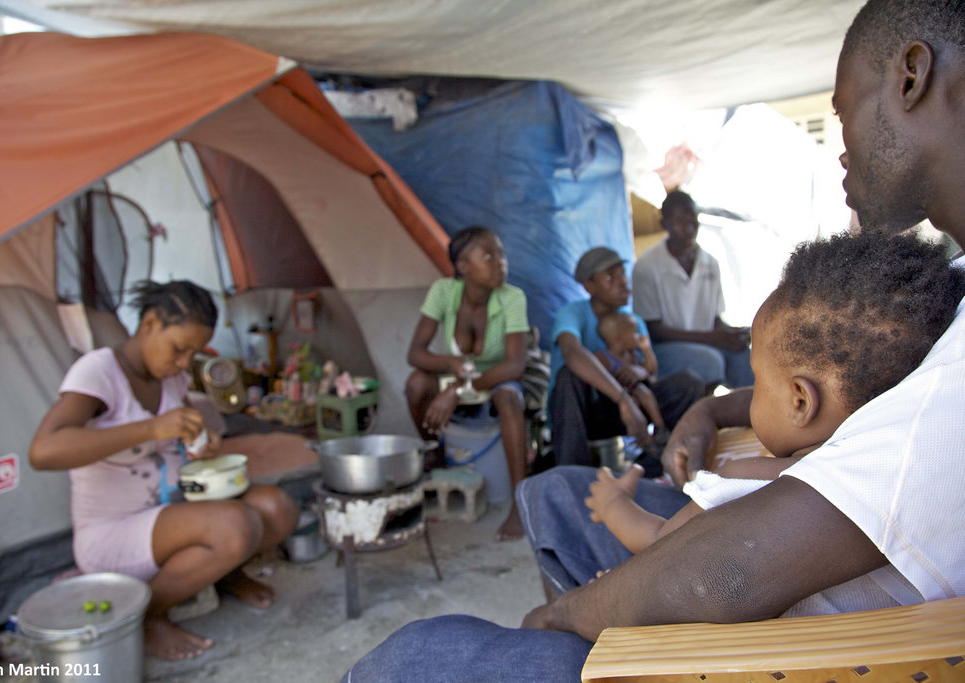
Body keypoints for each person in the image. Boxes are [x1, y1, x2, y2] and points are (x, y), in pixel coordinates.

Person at [343, 1, 965, 679]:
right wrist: (708, 411)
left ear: (911, 77)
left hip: (759, 647)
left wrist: (565, 614)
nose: (840, 145)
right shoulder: (945, 294)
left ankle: (588, 649)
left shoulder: (947, 379)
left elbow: (721, 573)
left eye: (843, 112)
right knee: (559, 482)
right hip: (758, 571)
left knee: (414, 655)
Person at [588, 231, 965, 558]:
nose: (752, 394)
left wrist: (613, 503)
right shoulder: (899, 468)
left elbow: (660, 544)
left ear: (799, 401)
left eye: (757, 381)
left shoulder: (752, 481)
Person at [29, 280, 300, 661]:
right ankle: (145, 617)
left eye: (193, 353)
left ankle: (222, 573)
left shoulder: (172, 378)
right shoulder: (99, 371)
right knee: (235, 525)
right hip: (113, 532)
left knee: (277, 507)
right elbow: (43, 451)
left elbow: (179, 432)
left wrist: (201, 442)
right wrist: (150, 429)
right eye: (179, 348)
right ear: (150, 324)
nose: (184, 362)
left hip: (172, 516)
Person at [404, 226, 529, 541]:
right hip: (457, 375)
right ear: (463, 266)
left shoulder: (512, 297)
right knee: (416, 385)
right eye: (488, 256)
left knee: (509, 399)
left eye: (501, 254)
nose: (500, 262)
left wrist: (456, 391)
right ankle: (435, 455)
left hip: (496, 378)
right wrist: (450, 364)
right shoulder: (444, 292)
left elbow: (515, 365)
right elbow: (415, 354)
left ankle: (520, 501)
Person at [546, 247, 704, 471]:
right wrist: (622, 399)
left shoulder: (633, 321)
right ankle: (571, 472)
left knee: (689, 384)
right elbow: (571, 352)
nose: (622, 282)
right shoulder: (573, 313)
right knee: (569, 376)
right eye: (610, 277)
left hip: (628, 411)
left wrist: (639, 372)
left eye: (622, 273)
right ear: (589, 286)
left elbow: (650, 372)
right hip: (583, 414)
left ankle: (656, 464)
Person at [632, 190, 754, 391]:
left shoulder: (710, 263)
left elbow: (714, 319)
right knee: (709, 361)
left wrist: (734, 334)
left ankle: (749, 410)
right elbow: (654, 331)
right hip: (663, 349)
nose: (688, 228)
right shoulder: (647, 266)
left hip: (706, 342)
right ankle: (705, 409)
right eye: (679, 221)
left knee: (747, 360)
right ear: (664, 224)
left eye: (692, 219)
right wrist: (713, 338)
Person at [593, 311, 667, 443]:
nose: (638, 336)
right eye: (635, 332)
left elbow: (651, 370)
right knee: (635, 401)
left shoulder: (632, 356)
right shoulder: (603, 358)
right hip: (616, 398)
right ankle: (640, 439)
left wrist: (646, 349)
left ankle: (659, 428)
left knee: (644, 392)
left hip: (636, 390)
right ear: (619, 338)